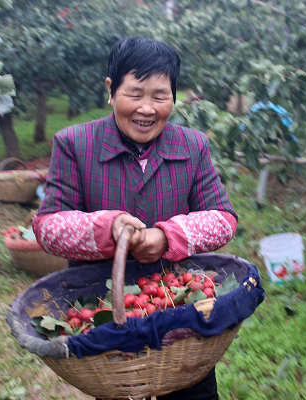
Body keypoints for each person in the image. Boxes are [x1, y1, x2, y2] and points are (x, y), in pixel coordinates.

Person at [32, 36, 237, 400]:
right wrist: (107, 227)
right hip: (105, 312)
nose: (146, 108)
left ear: (174, 97)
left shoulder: (192, 146)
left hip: (178, 309)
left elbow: (223, 218)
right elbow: (49, 227)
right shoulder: (75, 144)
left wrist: (168, 236)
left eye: (160, 96)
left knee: (193, 393)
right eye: (135, 93)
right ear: (111, 90)